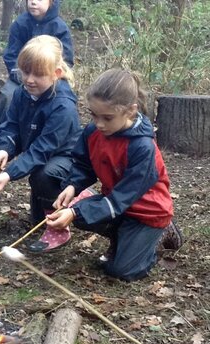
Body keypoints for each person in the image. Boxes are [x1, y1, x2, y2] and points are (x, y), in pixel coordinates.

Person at [46, 68, 183, 281]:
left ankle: (159, 236)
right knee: (81, 214)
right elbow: (84, 164)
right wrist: (72, 186)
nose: (99, 123)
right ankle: (124, 239)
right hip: (118, 206)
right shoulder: (94, 132)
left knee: (122, 272)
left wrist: (75, 212)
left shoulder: (142, 147)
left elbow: (122, 198)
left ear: (130, 111)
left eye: (107, 117)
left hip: (147, 213)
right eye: (94, 115)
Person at [0, 35, 83, 252]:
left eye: (38, 74)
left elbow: (42, 150)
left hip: (66, 161)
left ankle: (60, 227)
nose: (29, 79)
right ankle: (54, 209)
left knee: (43, 175)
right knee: (37, 218)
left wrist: (9, 174)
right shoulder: (23, 93)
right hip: (40, 156)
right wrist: (5, 147)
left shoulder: (63, 107)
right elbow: (11, 125)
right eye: (25, 72)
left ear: (56, 74)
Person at [0, 0, 74, 126]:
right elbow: (11, 55)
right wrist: (21, 76)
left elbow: (66, 60)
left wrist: (49, 77)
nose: (33, 2)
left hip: (51, 77)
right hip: (21, 75)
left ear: (51, 2)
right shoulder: (19, 24)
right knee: (6, 98)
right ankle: (8, 136)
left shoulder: (60, 28)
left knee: (59, 102)